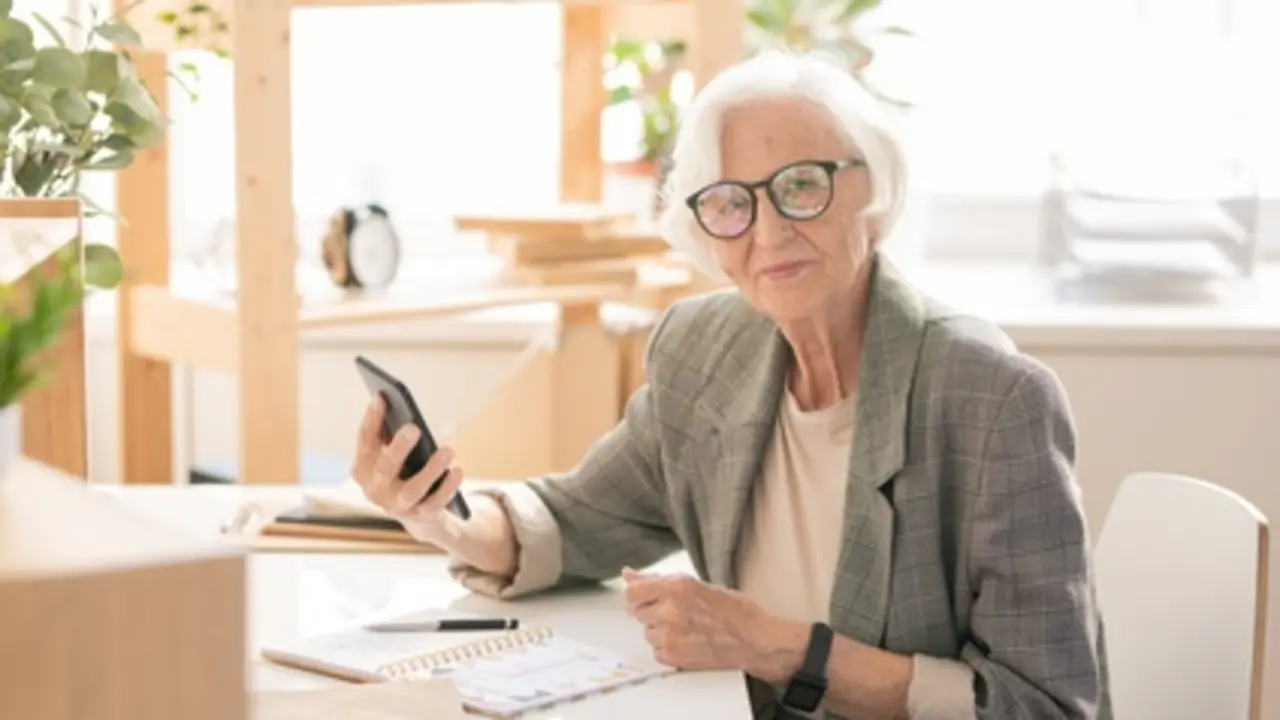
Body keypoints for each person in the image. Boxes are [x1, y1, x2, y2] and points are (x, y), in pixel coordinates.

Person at [351, 50, 1111, 720]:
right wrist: (443, 517)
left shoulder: (993, 400)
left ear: (873, 198)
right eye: (730, 203)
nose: (769, 232)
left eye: (803, 186)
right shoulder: (704, 349)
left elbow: (1045, 705)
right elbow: (576, 519)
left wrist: (782, 650)